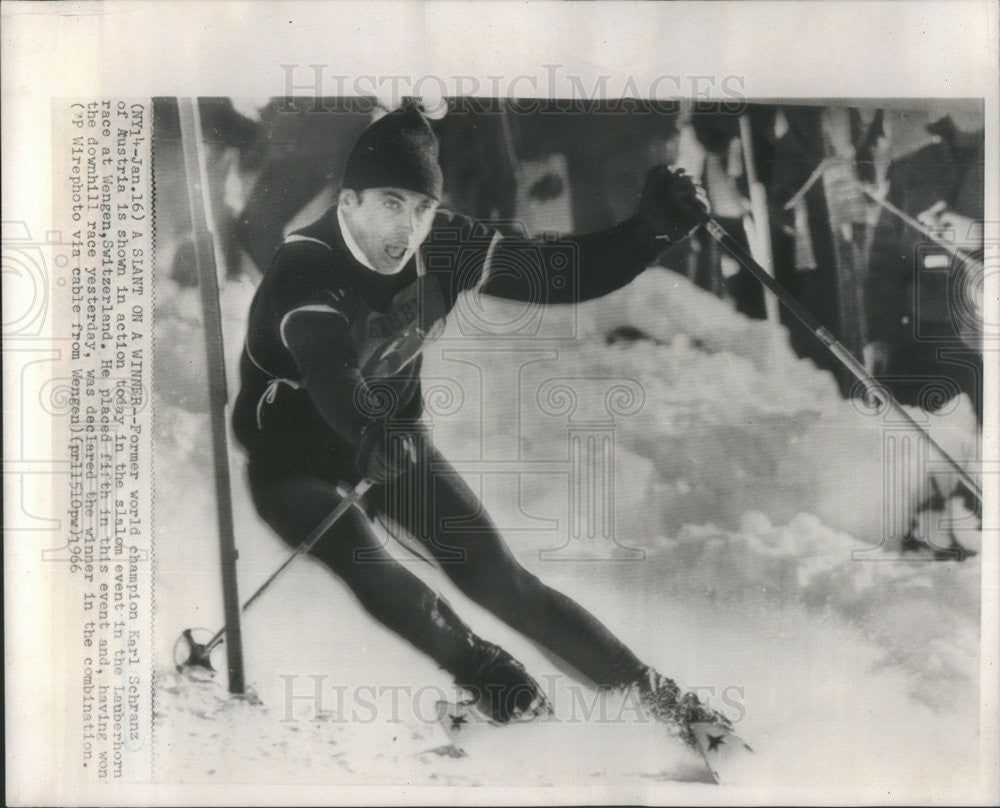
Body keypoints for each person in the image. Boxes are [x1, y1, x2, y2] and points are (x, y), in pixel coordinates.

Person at [231, 102, 729, 739]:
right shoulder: (306, 267)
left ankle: (670, 710)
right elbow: (329, 369)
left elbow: (554, 272)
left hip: (393, 442)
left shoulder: (443, 243)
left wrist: (648, 234)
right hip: (293, 457)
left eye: (420, 208)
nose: (405, 226)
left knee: (503, 582)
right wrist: (370, 427)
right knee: (362, 554)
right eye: (389, 202)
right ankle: (498, 682)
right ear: (348, 201)